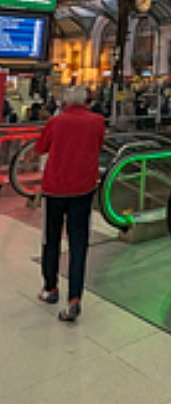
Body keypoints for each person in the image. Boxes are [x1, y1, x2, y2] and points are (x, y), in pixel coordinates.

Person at [35, 85, 105, 322]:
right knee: (78, 243)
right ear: (85, 101)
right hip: (83, 189)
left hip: (54, 189)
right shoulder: (97, 121)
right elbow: (98, 146)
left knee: (51, 240)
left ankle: (51, 288)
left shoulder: (55, 122)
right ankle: (74, 298)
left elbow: (40, 148)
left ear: (64, 101)